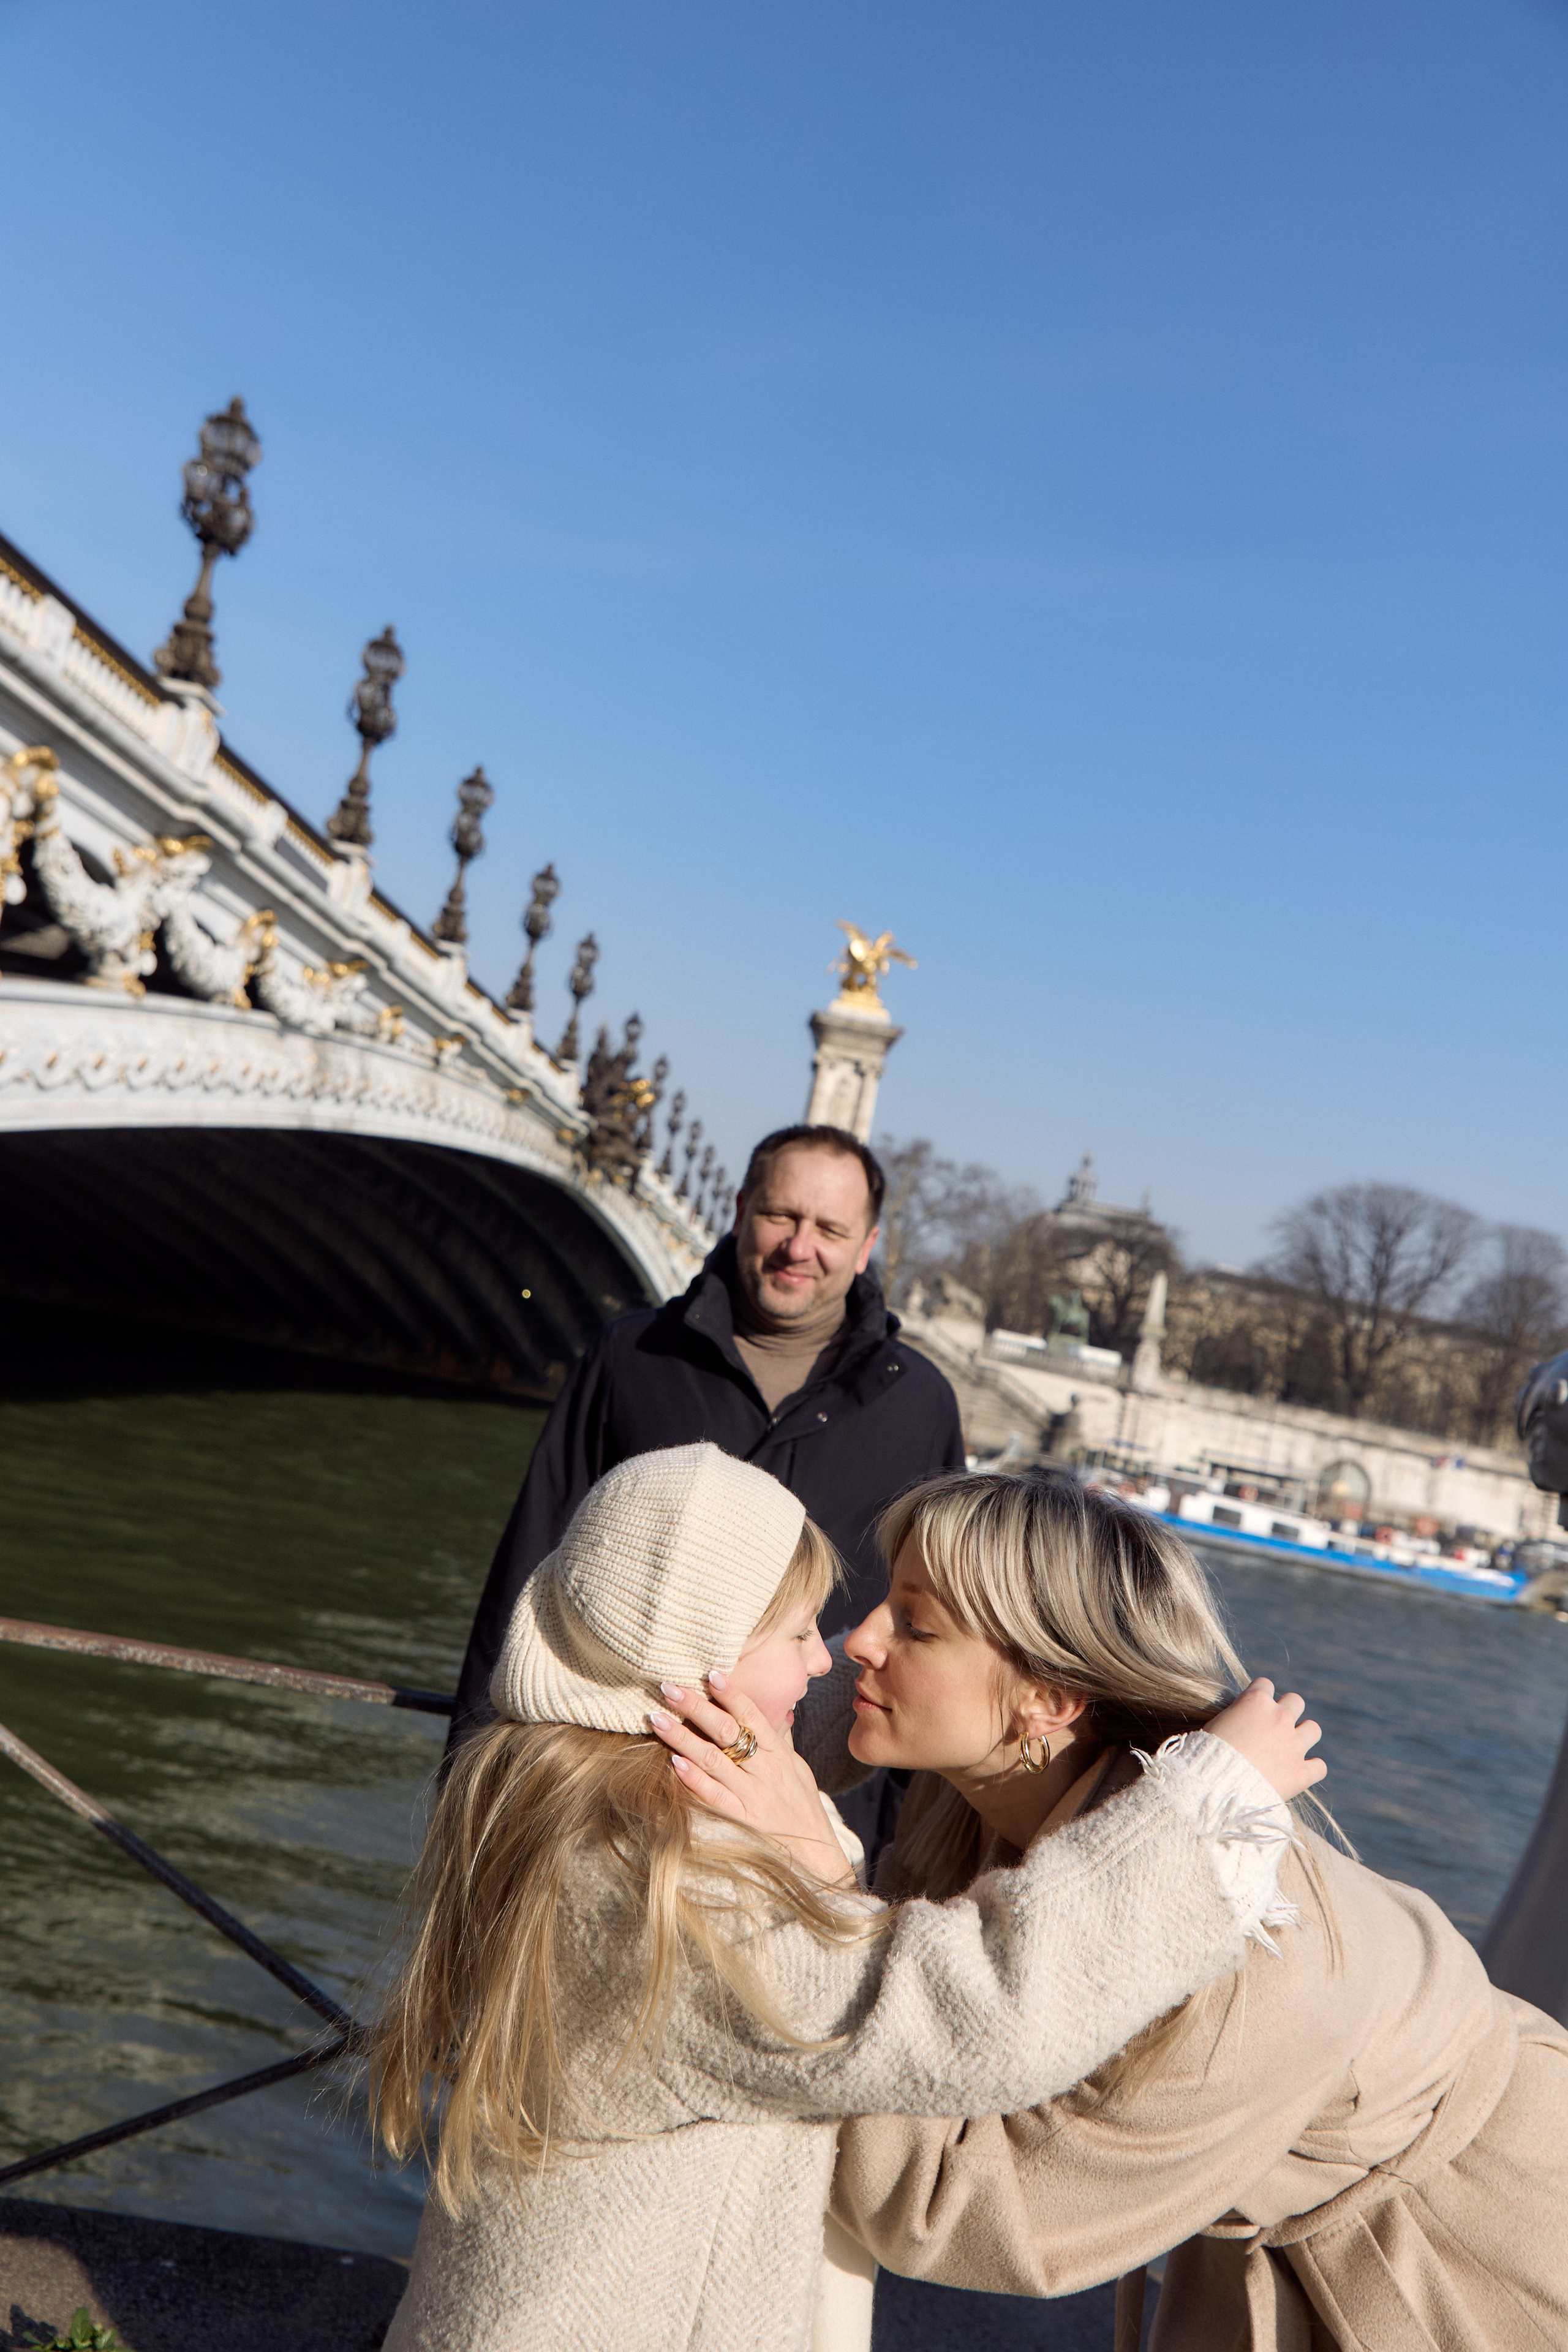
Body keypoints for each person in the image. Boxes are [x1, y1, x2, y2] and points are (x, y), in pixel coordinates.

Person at [372, 1442, 1320, 2352]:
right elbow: (980, 2012)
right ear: (696, 1671)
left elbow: (762, 1705)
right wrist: (1203, 1814)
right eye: (797, 1634)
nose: (834, 1657)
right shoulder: (682, 1892)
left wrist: (872, 1704)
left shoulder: (561, 1780)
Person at [663, 1469, 1568, 2352]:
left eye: (917, 1626)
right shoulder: (984, 1778)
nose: (857, 1640)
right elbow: (787, 1714)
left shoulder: (1248, 1977)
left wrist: (815, 1882)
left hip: (1470, 2255)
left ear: (1048, 1702)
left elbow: (961, 2211)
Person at [445, 1122, 966, 1848]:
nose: (799, 1247)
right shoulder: (631, 1358)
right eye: (781, 1216)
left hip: (820, 1812)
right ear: (741, 1209)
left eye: (829, 1228)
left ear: (866, 1245)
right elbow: (530, 1573)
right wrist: (471, 1790)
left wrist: (913, 1841)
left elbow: (938, 1621)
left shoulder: (920, 1403)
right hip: (608, 1803)